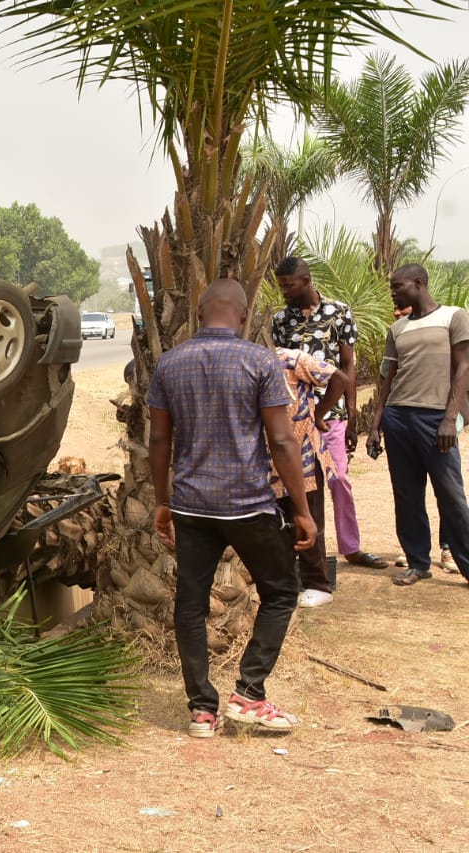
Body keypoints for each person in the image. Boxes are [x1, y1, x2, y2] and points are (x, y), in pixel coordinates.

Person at [149, 279, 314, 738]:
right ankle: (249, 693)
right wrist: (301, 509)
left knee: (190, 604)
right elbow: (281, 440)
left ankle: (202, 709)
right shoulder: (258, 360)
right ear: (242, 316)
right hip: (248, 506)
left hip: (191, 505)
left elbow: (159, 439)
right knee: (282, 592)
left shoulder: (170, 363)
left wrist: (163, 501)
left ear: (201, 313)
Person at [272, 257, 388, 570]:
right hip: (295, 414)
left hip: (332, 414)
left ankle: (351, 548)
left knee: (339, 480)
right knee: (301, 484)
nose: (283, 290)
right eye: (281, 285)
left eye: (288, 285)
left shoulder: (339, 312)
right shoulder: (281, 320)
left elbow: (347, 365)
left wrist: (350, 416)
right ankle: (306, 554)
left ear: (306, 280)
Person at [366, 263, 469, 587]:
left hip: (435, 417)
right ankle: (418, 562)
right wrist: (375, 425)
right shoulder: (397, 329)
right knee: (407, 495)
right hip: (398, 417)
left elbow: (464, 367)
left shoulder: (454, 316)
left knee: (451, 494)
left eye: (398, 287)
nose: (393, 293)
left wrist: (450, 418)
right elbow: (386, 378)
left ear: (418, 283)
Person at [273, 347, 346, 607]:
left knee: (308, 517)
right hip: (266, 457)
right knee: (277, 522)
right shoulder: (244, 361)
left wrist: (318, 414)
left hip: (301, 452)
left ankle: (318, 583)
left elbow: (339, 377)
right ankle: (284, 583)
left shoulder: (291, 359)